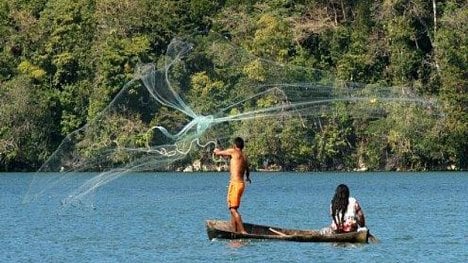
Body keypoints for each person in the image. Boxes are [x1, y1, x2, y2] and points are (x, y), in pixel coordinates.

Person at [213, 137, 251, 234]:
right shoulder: (244, 156)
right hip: (241, 184)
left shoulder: (233, 151)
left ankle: (242, 231)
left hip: (235, 184)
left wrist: (216, 151)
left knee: (233, 209)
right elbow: (247, 169)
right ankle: (234, 231)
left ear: (235, 145)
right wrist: (247, 177)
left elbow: (218, 153)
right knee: (233, 208)